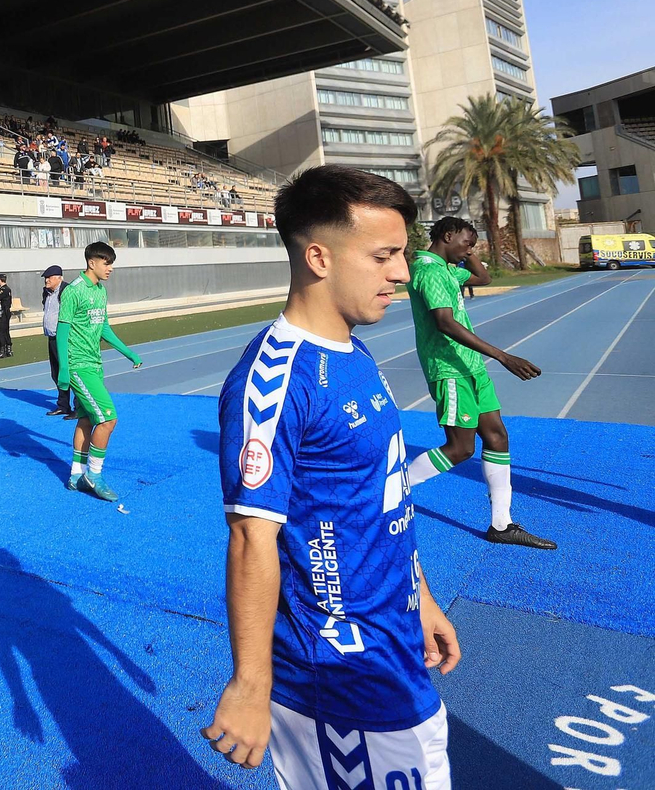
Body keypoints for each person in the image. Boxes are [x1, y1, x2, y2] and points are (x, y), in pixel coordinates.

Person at [201, 165, 459, 787]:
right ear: (318, 257)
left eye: (402, 254)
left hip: (394, 645)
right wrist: (250, 684)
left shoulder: (355, 350)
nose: (402, 273)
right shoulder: (272, 379)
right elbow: (251, 537)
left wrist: (420, 596)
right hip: (337, 670)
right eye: (383, 256)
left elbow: (382, 497)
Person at [401, 216, 554, 549]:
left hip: (471, 367)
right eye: (466, 244)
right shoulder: (428, 270)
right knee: (461, 449)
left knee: (497, 437)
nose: (469, 251)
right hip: (450, 370)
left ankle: (502, 524)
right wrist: (502, 356)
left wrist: (467, 249)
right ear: (447, 235)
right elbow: (444, 322)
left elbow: (483, 277)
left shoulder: (446, 268)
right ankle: (388, 493)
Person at [56, 242, 143, 504]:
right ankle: (94, 475)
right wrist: (64, 370)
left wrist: (128, 352)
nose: (110, 268)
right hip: (78, 366)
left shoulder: (100, 290)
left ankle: (75, 475)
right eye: (106, 263)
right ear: (91, 262)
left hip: (95, 364)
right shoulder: (73, 291)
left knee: (86, 420)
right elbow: (62, 331)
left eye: (111, 263)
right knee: (108, 419)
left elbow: (104, 328)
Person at [41, 266, 73, 418]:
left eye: (49, 277)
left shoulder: (67, 291)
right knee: (56, 373)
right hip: (52, 338)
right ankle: (63, 405)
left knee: (69, 372)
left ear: (59, 278)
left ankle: (80, 407)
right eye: (45, 278)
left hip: (65, 339)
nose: (46, 280)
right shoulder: (46, 292)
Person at [0, 274, 14, 358]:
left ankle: (2, 350)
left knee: (0, 332)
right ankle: (9, 350)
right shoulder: (8, 289)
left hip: (4, 312)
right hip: (6, 311)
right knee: (5, 331)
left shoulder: (3, 289)